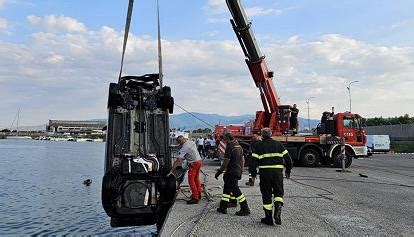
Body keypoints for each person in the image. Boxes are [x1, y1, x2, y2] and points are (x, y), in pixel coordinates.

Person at [250, 127, 293, 225]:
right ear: (271, 134)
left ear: (262, 135)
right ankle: (277, 210)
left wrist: (253, 175)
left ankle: (268, 218)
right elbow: (288, 159)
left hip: (265, 174)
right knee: (278, 193)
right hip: (277, 174)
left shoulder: (258, 146)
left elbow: (252, 163)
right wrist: (288, 171)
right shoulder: (279, 144)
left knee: (266, 195)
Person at [215, 132, 250, 216]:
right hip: (236, 170)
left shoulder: (230, 147)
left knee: (235, 190)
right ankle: (223, 207)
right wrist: (241, 170)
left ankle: (245, 208)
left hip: (231, 171)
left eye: (224, 139)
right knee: (227, 189)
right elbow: (242, 160)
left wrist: (219, 172)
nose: (224, 141)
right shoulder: (238, 146)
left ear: (227, 139)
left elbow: (226, 162)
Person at [168, 135, 203, 204]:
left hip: (193, 164)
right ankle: (199, 193)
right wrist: (174, 147)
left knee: (191, 180)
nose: (179, 144)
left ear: (180, 141)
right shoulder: (191, 142)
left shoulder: (184, 148)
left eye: (179, 142)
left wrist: (171, 171)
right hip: (199, 161)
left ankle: (195, 197)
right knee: (196, 179)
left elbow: (178, 161)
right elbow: (183, 146)